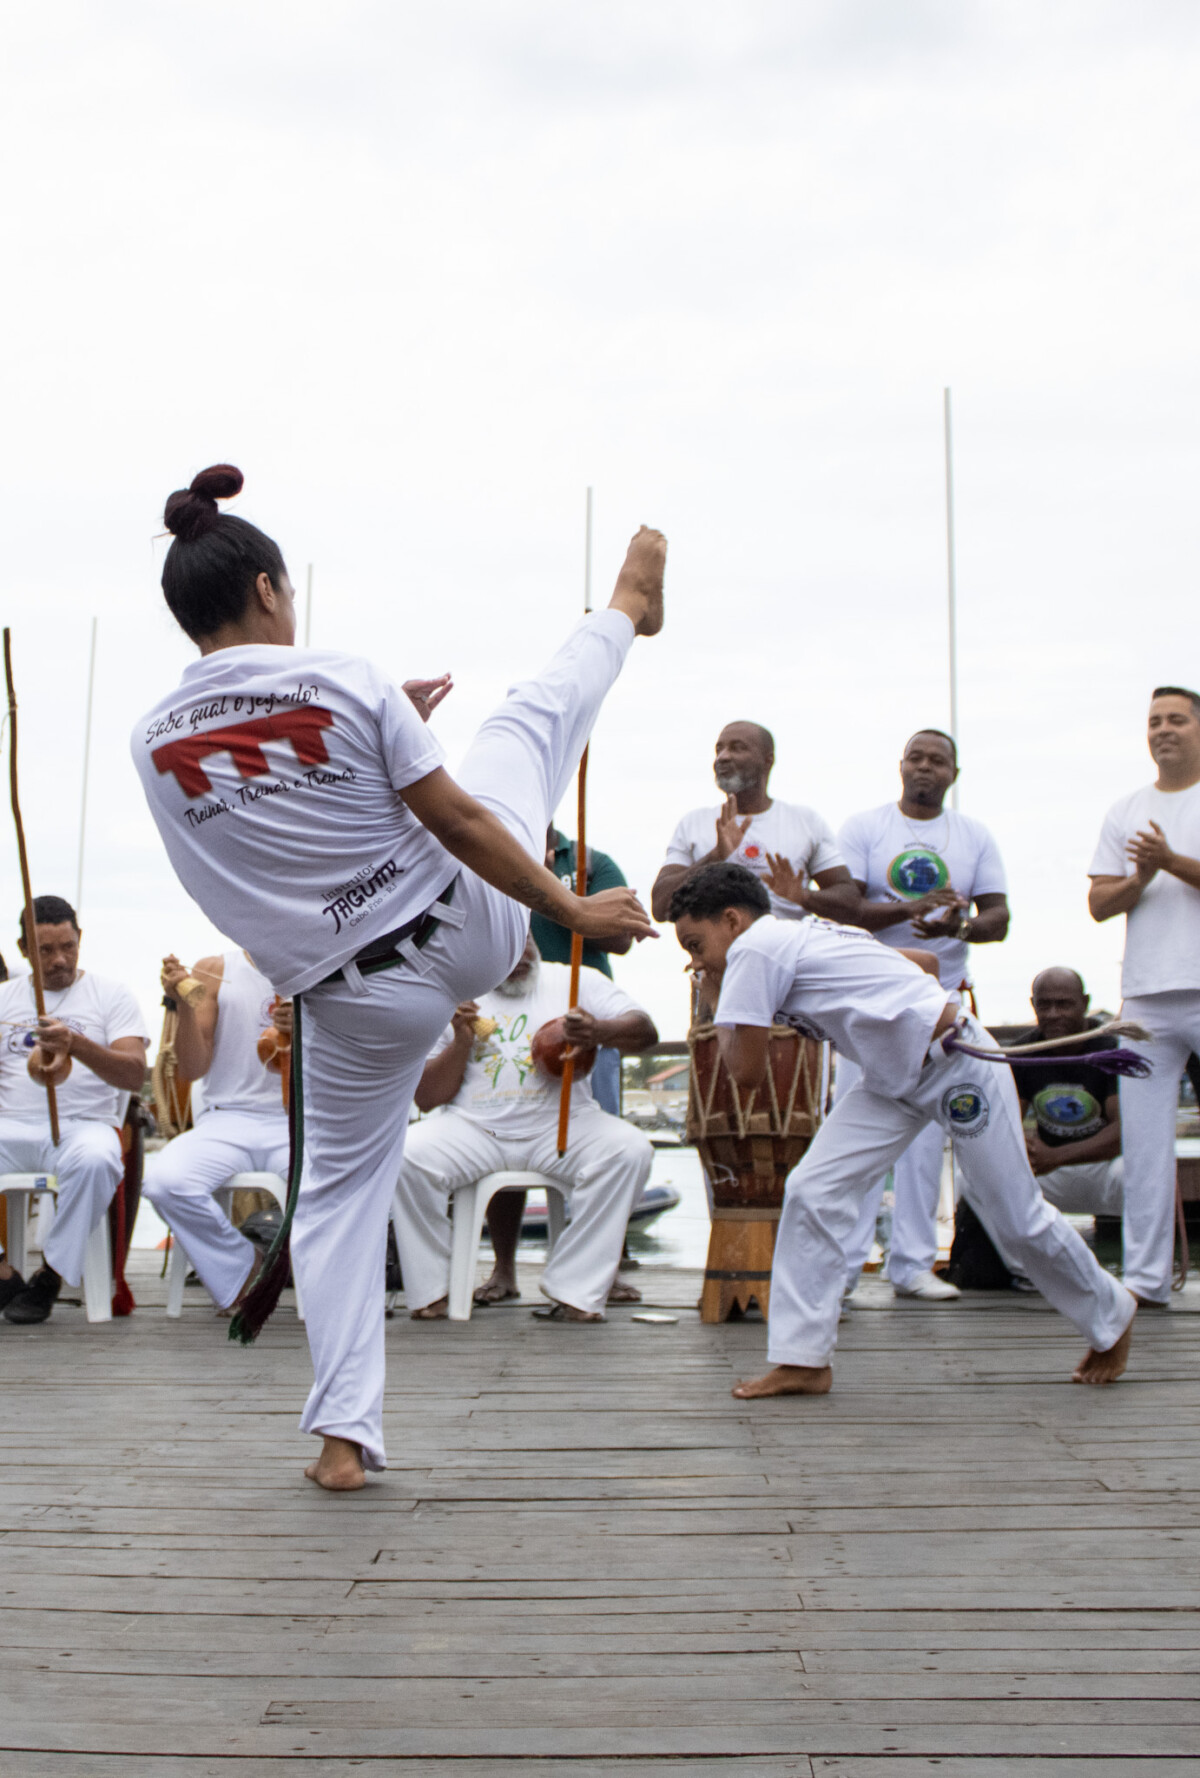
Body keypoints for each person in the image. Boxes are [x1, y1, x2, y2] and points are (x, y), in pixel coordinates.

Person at [131, 464, 663, 1492]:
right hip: (466, 924)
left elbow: (226, 872)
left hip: (346, 994)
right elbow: (457, 819)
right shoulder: (342, 677)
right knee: (519, 728)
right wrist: (571, 911)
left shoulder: (153, 741)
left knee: (334, 1198)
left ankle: (342, 1439)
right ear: (272, 590)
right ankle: (627, 607)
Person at [667, 862, 1136, 1400]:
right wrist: (897, 1021)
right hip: (892, 1079)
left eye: (696, 944)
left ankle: (1112, 1313)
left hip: (956, 1069)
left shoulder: (751, 951)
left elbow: (745, 1073)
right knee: (813, 1190)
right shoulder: (805, 935)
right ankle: (803, 1359)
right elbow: (926, 963)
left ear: (731, 919)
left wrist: (715, 996)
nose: (695, 961)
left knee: (1015, 1215)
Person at [393, 935, 657, 1320]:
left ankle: (576, 1290)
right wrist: (461, 1042)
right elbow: (428, 1098)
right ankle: (433, 1290)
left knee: (630, 1150)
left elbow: (645, 1031)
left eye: (526, 943)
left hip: (564, 1125)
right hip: (477, 1128)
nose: (518, 956)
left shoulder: (575, 981)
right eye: (505, 947)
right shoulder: (454, 994)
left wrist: (597, 1031)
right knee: (404, 1154)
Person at [837, 729, 1010, 1302]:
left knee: (924, 1140)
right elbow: (850, 911)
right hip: (867, 999)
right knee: (853, 1131)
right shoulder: (866, 827)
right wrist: (913, 910)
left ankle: (911, 1264)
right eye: (916, 757)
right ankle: (843, 1265)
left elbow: (999, 919)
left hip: (938, 1003)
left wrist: (956, 926)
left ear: (953, 774)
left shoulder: (974, 835)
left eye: (937, 760)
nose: (925, 768)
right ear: (900, 765)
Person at [1089, 684, 1200, 1305]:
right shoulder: (1125, 808)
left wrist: (1172, 859)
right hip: (1147, 996)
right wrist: (1142, 876)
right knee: (1146, 1144)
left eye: (1177, 720)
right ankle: (1146, 1281)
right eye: (1155, 720)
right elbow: (1100, 904)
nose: (1164, 730)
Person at [0, 897, 148, 1324]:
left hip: (82, 1129)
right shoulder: (6, 998)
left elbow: (134, 1074)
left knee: (100, 1159)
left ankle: (51, 1273)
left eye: (67, 946)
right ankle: (5, 1277)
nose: (59, 959)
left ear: (80, 939)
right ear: (24, 949)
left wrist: (76, 1046)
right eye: (45, 950)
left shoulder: (111, 995)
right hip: (11, 1127)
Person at [141, 948, 293, 1312]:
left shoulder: (325, 964)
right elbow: (192, 1068)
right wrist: (182, 1007)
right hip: (226, 1119)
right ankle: (243, 1267)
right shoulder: (214, 970)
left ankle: (325, 1288)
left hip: (295, 1119)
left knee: (332, 1184)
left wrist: (309, 1025)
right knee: (164, 1182)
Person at [650, 721, 859, 923]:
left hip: (786, 954)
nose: (723, 757)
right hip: (719, 958)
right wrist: (715, 857)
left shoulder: (804, 821)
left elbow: (851, 903)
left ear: (768, 760)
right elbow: (660, 908)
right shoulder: (694, 823)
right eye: (718, 749)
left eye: (737, 748)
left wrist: (803, 897)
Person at [1010, 968, 1123, 1218]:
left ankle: (1147, 1256)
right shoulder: (1021, 1052)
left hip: (1104, 1167)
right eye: (1044, 1005)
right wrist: (1029, 1150)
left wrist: (1056, 1156)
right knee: (971, 1181)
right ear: (1033, 1005)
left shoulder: (1112, 1049)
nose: (1053, 1014)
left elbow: (1122, 1132)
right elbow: (1006, 1122)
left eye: (1063, 1005)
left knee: (1133, 1172)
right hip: (1048, 1171)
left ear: (1085, 1003)